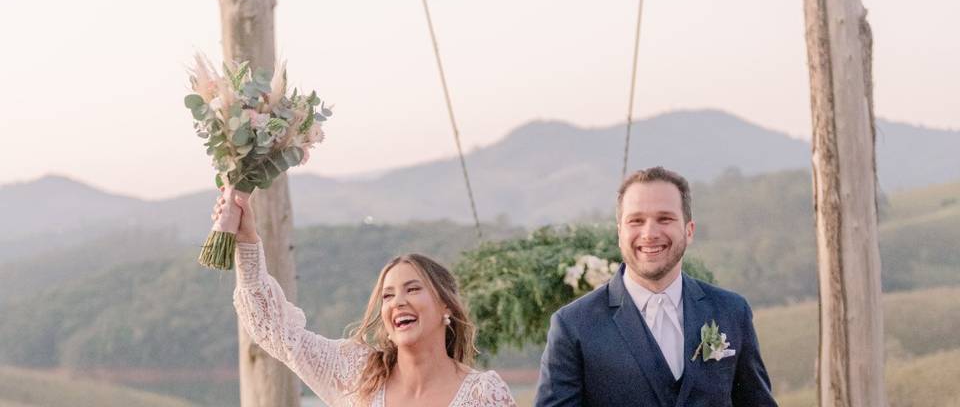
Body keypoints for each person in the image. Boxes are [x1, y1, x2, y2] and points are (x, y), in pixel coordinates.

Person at [213, 192, 516, 407]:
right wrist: (247, 240)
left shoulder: (483, 395)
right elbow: (275, 329)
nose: (398, 302)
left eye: (412, 289)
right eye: (387, 295)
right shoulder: (356, 373)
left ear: (445, 305)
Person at [534, 166, 778, 406]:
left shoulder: (732, 311)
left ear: (689, 230)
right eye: (636, 221)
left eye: (665, 219)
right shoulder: (573, 325)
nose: (649, 233)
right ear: (620, 233)